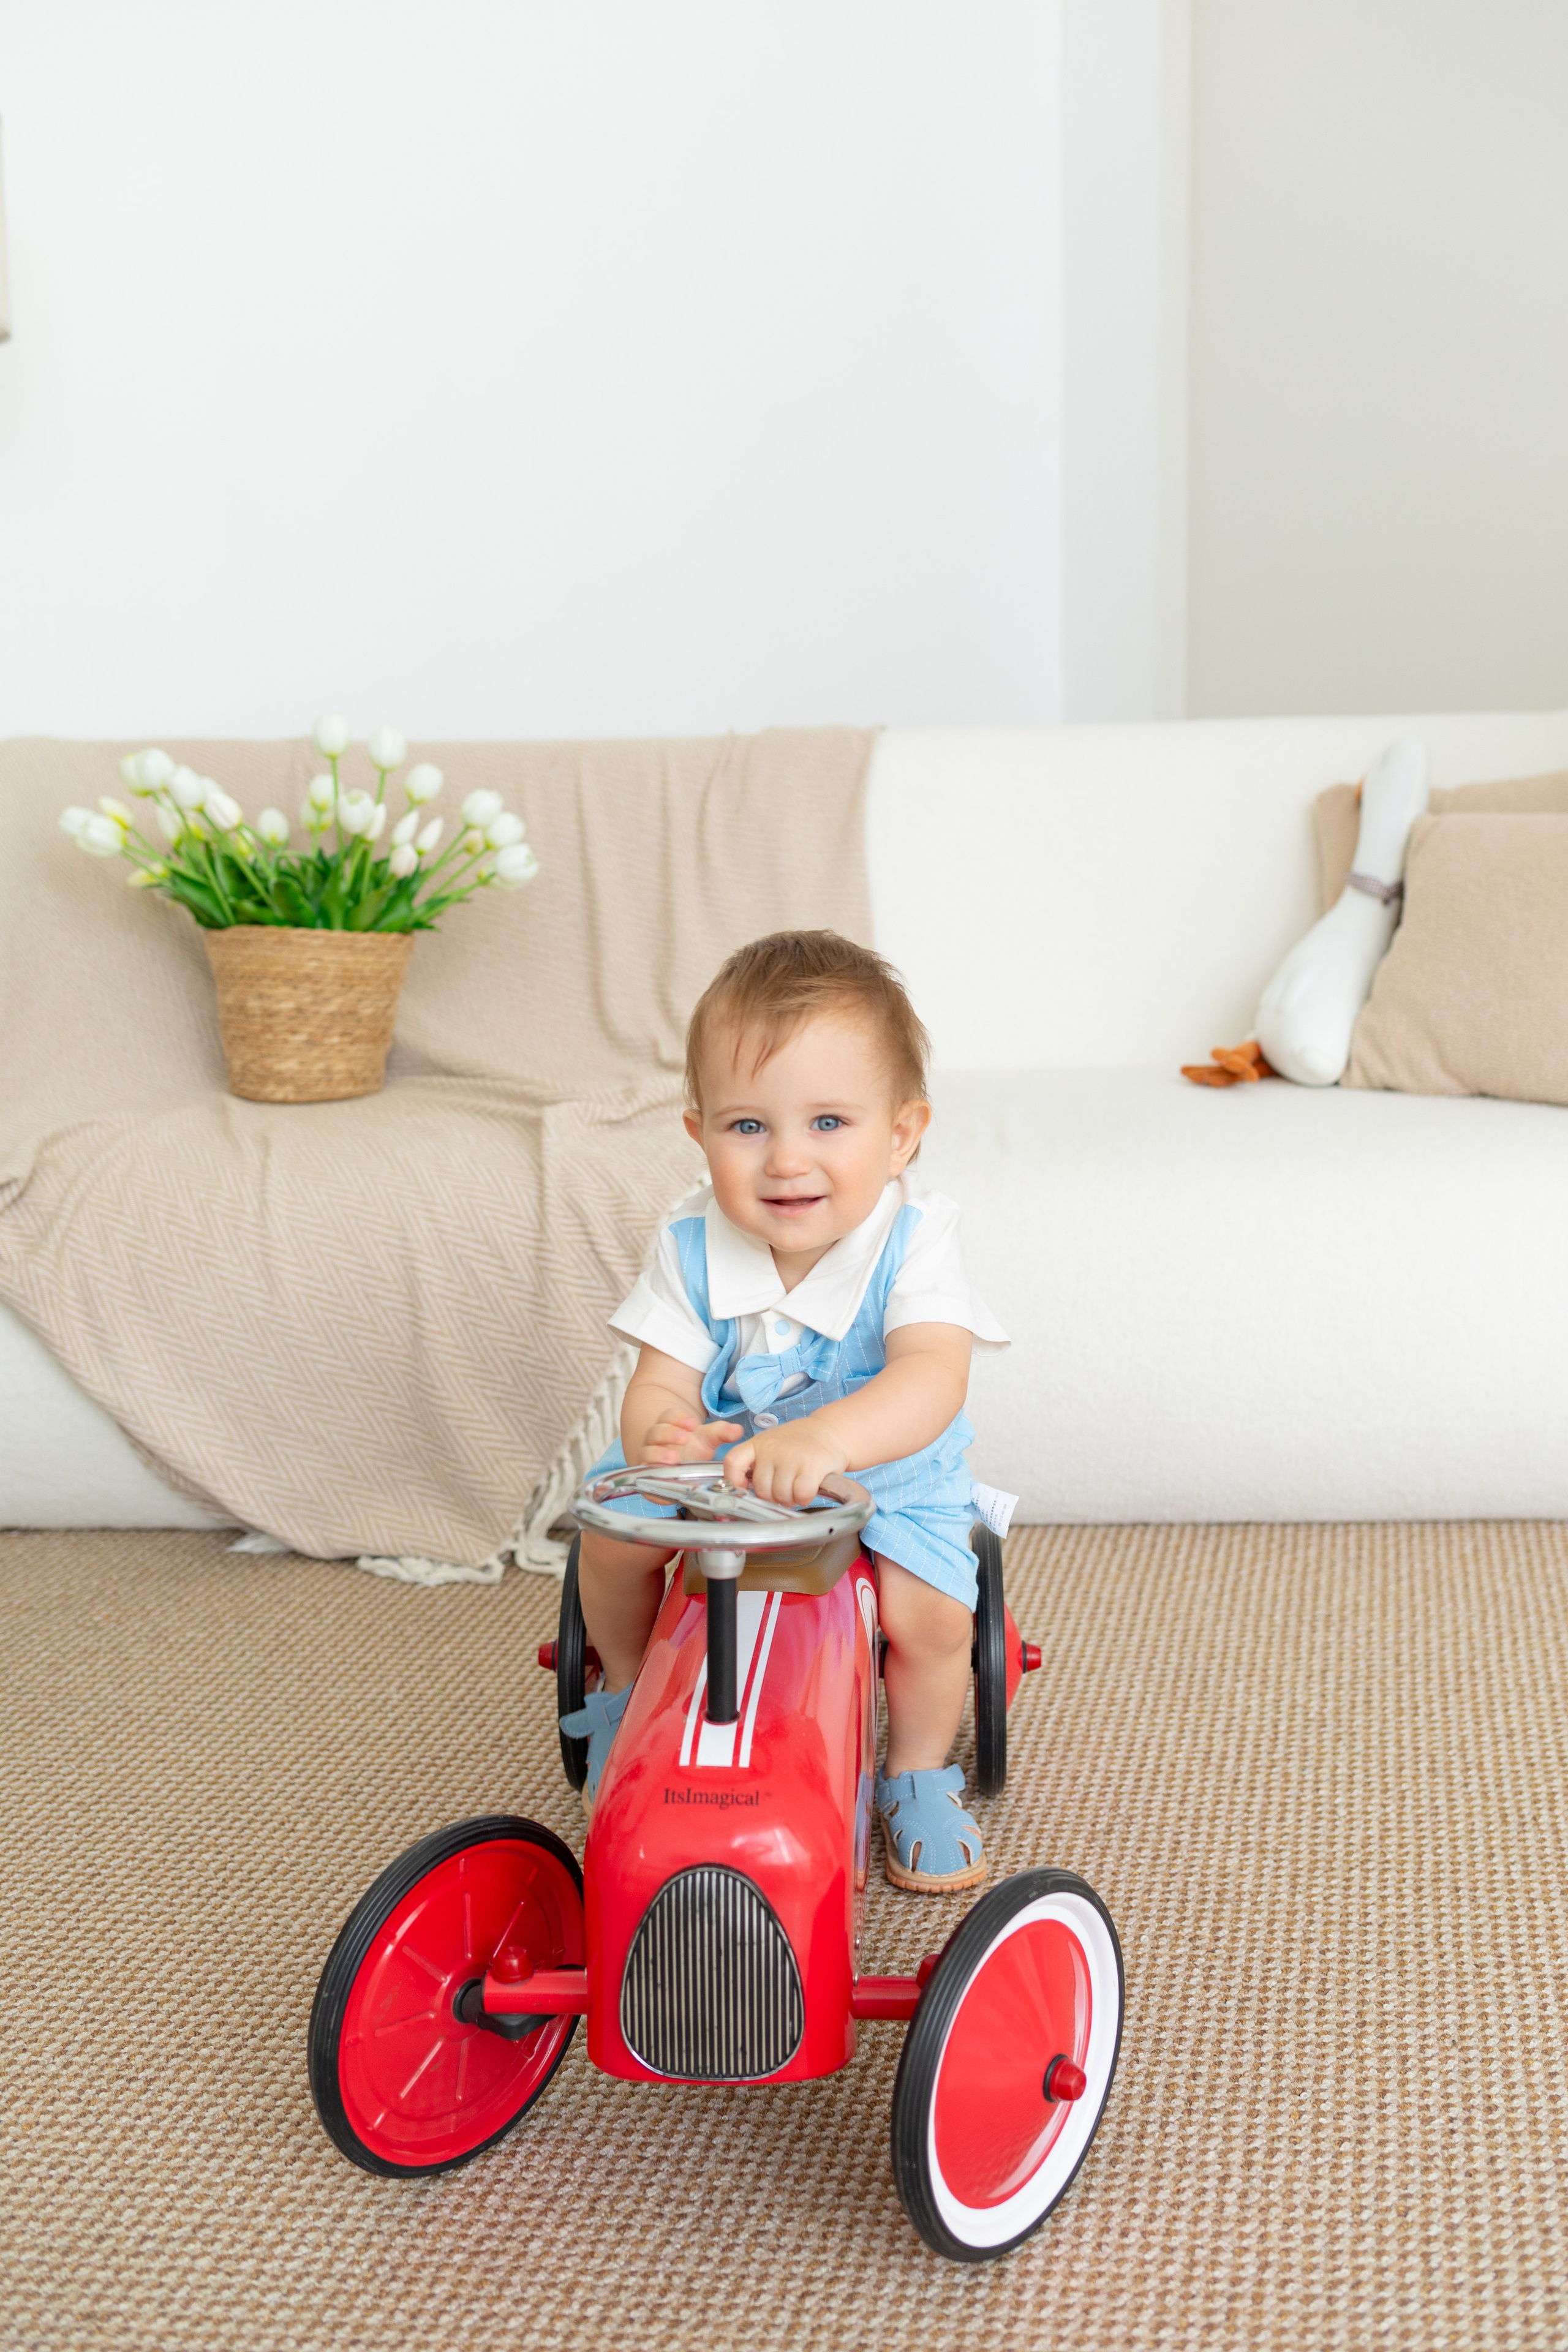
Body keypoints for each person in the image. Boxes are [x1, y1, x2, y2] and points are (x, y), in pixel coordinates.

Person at [562, 929, 1011, 1891]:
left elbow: (933, 1376)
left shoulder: (917, 1242)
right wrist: (665, 1434)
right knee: (611, 1537)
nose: (786, 1162)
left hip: (885, 1469)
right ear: (700, 1135)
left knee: (927, 1613)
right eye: (749, 1128)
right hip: (719, 1475)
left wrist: (830, 1437)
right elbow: (659, 1381)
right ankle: (629, 1693)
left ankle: (918, 1771)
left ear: (901, 1134)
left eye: (829, 1124)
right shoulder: (690, 1246)